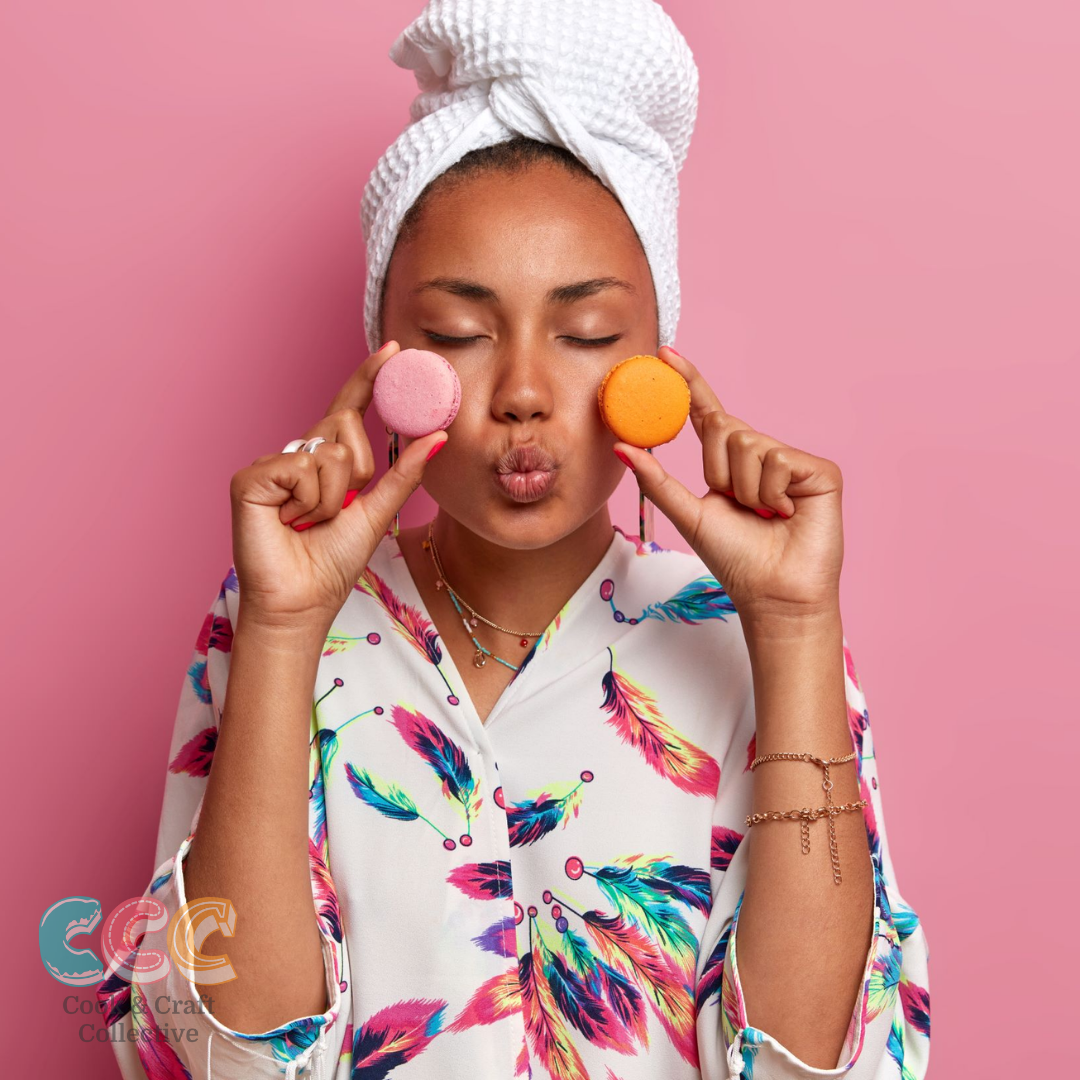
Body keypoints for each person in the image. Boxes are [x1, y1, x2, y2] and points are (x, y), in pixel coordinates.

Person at [97, 2, 930, 1078]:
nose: (526, 393)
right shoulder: (271, 618)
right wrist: (286, 630)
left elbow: (829, 1065)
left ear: (656, 368)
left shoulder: (749, 632)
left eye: (586, 335)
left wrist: (797, 627)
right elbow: (218, 1060)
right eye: (456, 334)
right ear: (387, 355)